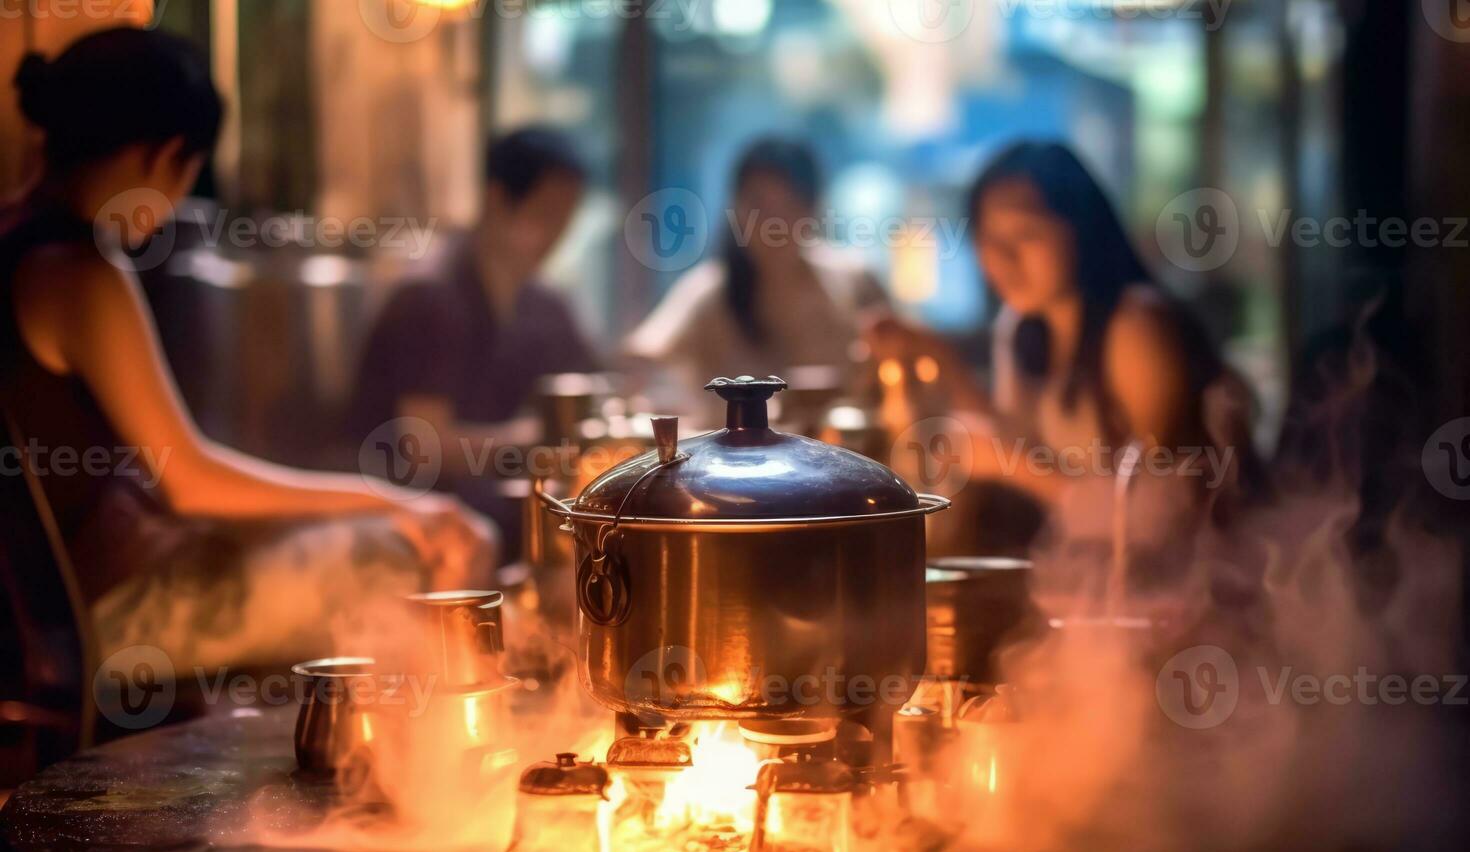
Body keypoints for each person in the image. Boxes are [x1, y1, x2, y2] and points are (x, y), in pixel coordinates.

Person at [1, 29, 493, 673]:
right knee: (412, 552)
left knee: (354, 534)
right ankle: (432, 758)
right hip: (98, 621)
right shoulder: (80, 273)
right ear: (165, 158)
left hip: (63, 605)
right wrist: (397, 500)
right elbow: (191, 484)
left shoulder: (16, 237)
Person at [875, 141, 1258, 544]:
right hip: (1093, 570)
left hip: (1201, 572)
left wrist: (1013, 466)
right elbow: (1015, 437)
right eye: (987, 237)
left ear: (1081, 227)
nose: (1002, 257)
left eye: (1026, 233)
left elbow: (1158, 518)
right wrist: (939, 358)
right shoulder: (1022, 325)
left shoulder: (1136, 327)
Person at [349, 126, 598, 452]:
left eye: (565, 219)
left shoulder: (544, 304)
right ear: (496, 200)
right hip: (403, 496)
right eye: (545, 214)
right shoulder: (431, 296)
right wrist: (536, 439)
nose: (555, 235)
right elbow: (423, 447)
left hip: (490, 492)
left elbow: (593, 382)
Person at [623, 137, 888, 410]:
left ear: (814, 210)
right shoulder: (709, 292)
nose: (775, 224)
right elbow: (641, 360)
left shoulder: (853, 282)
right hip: (732, 451)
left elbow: (903, 359)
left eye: (790, 206)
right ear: (736, 209)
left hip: (838, 449)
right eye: (759, 207)